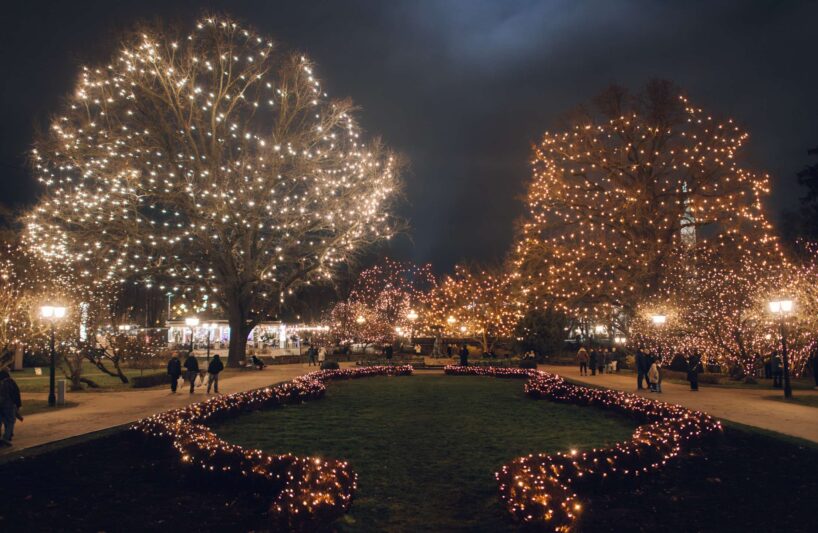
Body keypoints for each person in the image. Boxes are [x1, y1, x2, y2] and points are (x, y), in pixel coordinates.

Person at [0, 369, 23, 446]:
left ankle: (9, 435)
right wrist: (18, 405)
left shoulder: (2, 383)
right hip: (10, 405)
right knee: (10, 422)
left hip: (3, 405)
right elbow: (16, 394)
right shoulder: (11, 383)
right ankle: (6, 438)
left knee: (6, 421)